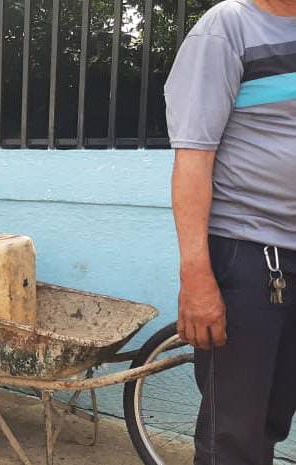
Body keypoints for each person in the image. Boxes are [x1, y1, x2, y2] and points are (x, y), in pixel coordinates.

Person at [165, 0, 296, 463]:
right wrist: (196, 278)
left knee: (273, 421)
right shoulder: (228, 27)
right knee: (234, 437)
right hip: (250, 254)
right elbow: (193, 158)